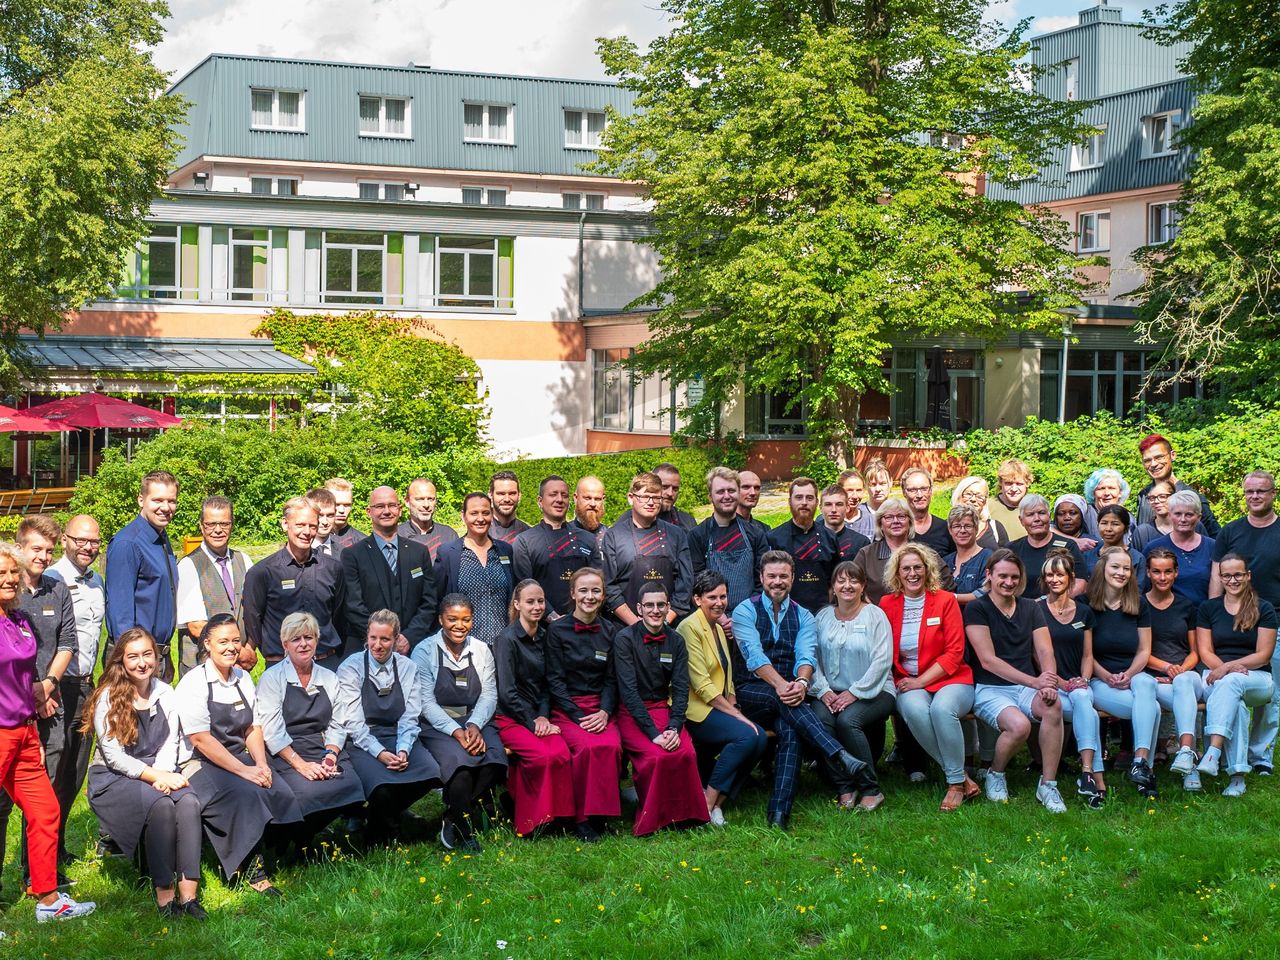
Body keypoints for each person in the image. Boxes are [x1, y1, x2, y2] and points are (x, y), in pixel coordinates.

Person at [731, 551, 880, 828]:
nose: (778, 581)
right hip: (751, 691)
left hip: (789, 694)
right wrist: (784, 686)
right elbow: (754, 657)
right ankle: (838, 754)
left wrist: (801, 682)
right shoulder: (745, 610)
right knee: (784, 703)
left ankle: (779, 814)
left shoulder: (804, 616)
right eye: (772, 576)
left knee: (790, 731)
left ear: (792, 578)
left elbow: (806, 656)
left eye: (783, 576)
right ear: (762, 578)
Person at [0, 541, 95, 921]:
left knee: (46, 809)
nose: (8, 579)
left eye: (11, 572)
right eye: (0, 574)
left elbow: (25, 677)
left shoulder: (19, 618)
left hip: (23, 732)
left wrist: (32, 723)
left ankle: (48, 899)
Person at [174, 614, 302, 893]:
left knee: (280, 789)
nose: (231, 647)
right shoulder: (193, 683)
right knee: (245, 796)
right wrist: (245, 772)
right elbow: (200, 739)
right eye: (223, 642)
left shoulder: (243, 678)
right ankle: (251, 871)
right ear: (206, 644)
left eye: (235, 640)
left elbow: (253, 727)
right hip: (199, 762)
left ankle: (279, 852)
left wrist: (260, 763)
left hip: (237, 756)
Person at [84, 628, 203, 917]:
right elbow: (114, 756)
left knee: (188, 802)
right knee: (161, 805)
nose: (142, 663)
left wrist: (162, 774)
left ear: (157, 656)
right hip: (114, 776)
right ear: (121, 661)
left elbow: (169, 740)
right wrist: (156, 778)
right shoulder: (108, 696)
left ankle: (189, 896)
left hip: (158, 770)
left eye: (147, 655)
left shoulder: (165, 692)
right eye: (133, 656)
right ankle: (164, 896)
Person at [0, 516, 77, 881]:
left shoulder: (47, 598)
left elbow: (65, 645)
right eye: (37, 549)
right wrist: (34, 696)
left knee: (47, 799)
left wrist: (46, 687)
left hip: (38, 712)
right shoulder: (10, 606)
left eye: (50, 550)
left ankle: (42, 880)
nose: (44, 556)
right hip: (9, 718)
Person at [963, 549, 1067, 812]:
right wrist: (1036, 683)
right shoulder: (977, 608)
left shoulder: (1031, 607)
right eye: (1003, 576)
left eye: (1014, 577)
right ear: (989, 575)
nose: (1009, 582)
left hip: (1024, 686)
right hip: (989, 687)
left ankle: (1048, 784)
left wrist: (1049, 682)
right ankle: (995, 774)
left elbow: (1045, 651)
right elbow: (988, 660)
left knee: (1054, 707)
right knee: (1019, 726)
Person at [253, 612, 364, 854]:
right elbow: (271, 729)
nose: (303, 644)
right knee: (305, 792)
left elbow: (338, 722)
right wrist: (301, 765)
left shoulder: (328, 677)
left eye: (308, 637)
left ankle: (307, 833)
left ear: (317, 640)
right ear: (285, 645)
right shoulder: (272, 678)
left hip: (322, 746)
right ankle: (293, 842)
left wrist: (330, 756)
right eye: (296, 639)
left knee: (352, 784)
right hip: (285, 751)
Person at [881, 549, 977, 811]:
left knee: (942, 709)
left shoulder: (945, 601)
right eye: (906, 569)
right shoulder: (887, 604)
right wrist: (911, 682)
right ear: (897, 574)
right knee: (914, 710)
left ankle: (955, 784)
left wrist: (921, 681)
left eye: (917, 567)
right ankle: (960, 776)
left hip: (951, 677)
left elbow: (955, 653)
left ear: (927, 570)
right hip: (907, 679)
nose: (912, 573)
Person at [411, 594, 507, 852]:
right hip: (438, 724)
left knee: (495, 760)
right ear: (441, 619)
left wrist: (474, 725)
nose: (459, 625)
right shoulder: (424, 650)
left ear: (472, 621)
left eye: (465, 619)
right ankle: (465, 832)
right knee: (460, 767)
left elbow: (488, 694)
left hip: (475, 718)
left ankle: (452, 815)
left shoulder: (481, 649)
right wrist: (456, 731)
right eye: (452, 619)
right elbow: (426, 702)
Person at [336, 609, 441, 844]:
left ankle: (383, 817)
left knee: (431, 773)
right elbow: (352, 721)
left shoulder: (406, 667)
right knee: (381, 786)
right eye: (373, 638)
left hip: (398, 732)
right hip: (363, 739)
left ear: (396, 639)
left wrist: (403, 749)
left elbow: (410, 714)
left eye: (385, 639)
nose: (378, 645)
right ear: (367, 637)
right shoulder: (351, 667)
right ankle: (384, 831)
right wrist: (380, 753)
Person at [612, 582, 710, 834]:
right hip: (632, 712)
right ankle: (654, 817)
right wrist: (654, 734)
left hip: (664, 710)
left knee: (685, 752)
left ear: (668, 607)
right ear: (639, 608)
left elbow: (680, 689)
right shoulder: (624, 639)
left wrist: (674, 727)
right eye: (649, 605)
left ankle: (686, 815)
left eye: (660, 605)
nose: (655, 610)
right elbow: (628, 692)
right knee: (655, 756)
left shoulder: (676, 640)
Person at [676, 570, 768, 826]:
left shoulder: (718, 625)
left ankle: (717, 801)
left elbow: (726, 674)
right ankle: (707, 803)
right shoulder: (688, 627)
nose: (719, 602)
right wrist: (737, 715)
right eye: (711, 597)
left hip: (719, 704)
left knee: (759, 739)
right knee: (747, 735)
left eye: (723, 596)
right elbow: (702, 685)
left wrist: (735, 703)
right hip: (696, 709)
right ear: (697, 599)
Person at [544, 568, 624, 840]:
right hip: (568, 708)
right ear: (573, 594)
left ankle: (601, 815)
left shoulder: (611, 631)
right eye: (584, 590)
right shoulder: (556, 631)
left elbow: (613, 679)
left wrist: (604, 712)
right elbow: (554, 681)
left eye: (596, 591)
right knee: (588, 747)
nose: (589, 596)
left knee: (611, 746)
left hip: (601, 707)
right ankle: (581, 818)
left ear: (603, 596)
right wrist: (579, 715)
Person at [1210, 471, 1280, 773]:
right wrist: (1212, 614)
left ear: (1273, 494)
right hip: (1229, 623)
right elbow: (1217, 574)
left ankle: (1260, 757)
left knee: (1272, 694)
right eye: (1249, 491)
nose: (1255, 497)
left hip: (1273, 620)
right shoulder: (1230, 531)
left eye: (1261, 491)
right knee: (1227, 684)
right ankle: (1224, 753)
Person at [493, 580, 575, 836]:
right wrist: (532, 721)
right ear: (517, 605)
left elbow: (547, 685)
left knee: (561, 752)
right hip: (511, 717)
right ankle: (529, 819)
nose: (537, 606)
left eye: (540, 601)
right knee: (541, 757)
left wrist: (542, 716)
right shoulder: (506, 640)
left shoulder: (545, 636)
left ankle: (559, 818)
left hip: (539, 716)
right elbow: (507, 692)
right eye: (530, 601)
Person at [46, 514, 106, 854]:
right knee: (52, 774)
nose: (87, 547)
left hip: (87, 686)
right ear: (66, 540)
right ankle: (35, 859)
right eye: (80, 540)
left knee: (74, 773)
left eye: (94, 541)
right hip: (58, 688)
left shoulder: (97, 581)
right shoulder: (52, 578)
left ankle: (58, 845)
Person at [814, 561, 895, 810]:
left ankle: (870, 789)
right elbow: (811, 658)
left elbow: (882, 661)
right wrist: (823, 690)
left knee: (848, 721)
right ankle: (844, 786)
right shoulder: (823, 617)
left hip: (876, 689)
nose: (847, 585)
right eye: (841, 580)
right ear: (833, 587)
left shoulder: (875, 615)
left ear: (863, 586)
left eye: (853, 581)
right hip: (830, 692)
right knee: (819, 720)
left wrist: (855, 692)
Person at [1196, 553, 1277, 796]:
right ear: (1220, 578)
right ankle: (1237, 777)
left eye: (1238, 574)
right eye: (1227, 575)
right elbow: (1205, 651)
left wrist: (1228, 667)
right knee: (1237, 705)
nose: (1233, 580)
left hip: (1258, 678)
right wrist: (1223, 668)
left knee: (1232, 682)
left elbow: (1263, 655)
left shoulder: (1264, 608)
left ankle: (1213, 750)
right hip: (1215, 675)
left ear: (1248, 576)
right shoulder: (1208, 608)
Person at [1086, 546, 1161, 797]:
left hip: (1134, 675)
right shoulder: (1087, 604)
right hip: (1099, 680)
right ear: (1103, 568)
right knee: (1154, 709)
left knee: (1147, 685)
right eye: (1115, 567)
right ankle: (1144, 773)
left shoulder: (1138, 603)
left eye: (1126, 568)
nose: (1121, 572)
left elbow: (1144, 650)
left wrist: (1129, 674)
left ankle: (1139, 763)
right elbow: (1085, 654)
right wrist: (1106, 675)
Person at [1036, 550, 1107, 807]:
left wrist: (1084, 680)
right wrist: (1063, 683)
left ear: (1071, 577)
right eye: (1049, 575)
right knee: (1083, 702)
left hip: (1079, 684)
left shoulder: (1084, 612)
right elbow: (1036, 656)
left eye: (1059, 574)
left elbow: (1088, 655)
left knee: (1082, 697)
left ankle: (1088, 773)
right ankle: (1093, 777)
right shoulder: (1036, 609)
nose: (1054, 579)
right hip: (1049, 685)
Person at [242, 497, 346, 668]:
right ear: (285, 524)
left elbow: (339, 615)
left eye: (312, 526)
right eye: (300, 525)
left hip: (326, 663)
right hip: (281, 664)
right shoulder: (262, 572)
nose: (307, 532)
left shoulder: (333, 568)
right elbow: (253, 619)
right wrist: (274, 651)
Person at [341, 486, 437, 654]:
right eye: (380, 506)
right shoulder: (353, 555)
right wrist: (383, 639)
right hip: (367, 649)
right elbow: (353, 606)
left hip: (413, 648)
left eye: (392, 505)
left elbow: (429, 602)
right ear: (369, 511)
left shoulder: (419, 552)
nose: (386, 511)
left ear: (400, 510)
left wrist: (408, 637)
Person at [105, 469, 180, 680]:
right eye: (157, 500)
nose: (165, 508)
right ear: (141, 500)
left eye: (171, 501)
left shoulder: (161, 538)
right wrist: (135, 663)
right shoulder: (127, 544)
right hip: (135, 661)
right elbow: (121, 614)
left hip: (158, 656)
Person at [1143, 548, 1204, 789]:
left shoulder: (1186, 606)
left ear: (1176, 573)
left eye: (1168, 571)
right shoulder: (1139, 605)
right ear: (1148, 572)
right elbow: (1140, 652)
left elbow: (1195, 651)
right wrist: (1168, 669)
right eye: (1156, 571)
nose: (1162, 577)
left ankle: (1186, 755)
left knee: (1185, 684)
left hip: (1185, 676)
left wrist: (1178, 672)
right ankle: (1186, 762)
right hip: (1153, 681)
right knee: (1180, 688)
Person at [174, 496, 253, 677]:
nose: (218, 530)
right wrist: (240, 653)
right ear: (201, 526)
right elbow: (196, 626)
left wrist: (250, 648)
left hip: (237, 668)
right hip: (202, 668)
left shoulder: (244, 560)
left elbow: (254, 611)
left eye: (224, 524)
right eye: (211, 524)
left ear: (232, 525)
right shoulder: (188, 565)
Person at [600, 473, 693, 626]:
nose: (651, 503)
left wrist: (665, 621)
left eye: (656, 498)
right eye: (645, 497)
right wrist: (636, 624)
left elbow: (686, 582)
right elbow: (608, 585)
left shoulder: (676, 535)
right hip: (625, 627)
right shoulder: (614, 536)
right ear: (631, 497)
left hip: (669, 626)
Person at [434, 493, 515, 647]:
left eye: (485, 513)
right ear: (463, 516)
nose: (480, 518)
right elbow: (437, 600)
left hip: (503, 645)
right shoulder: (448, 554)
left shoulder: (505, 551)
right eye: (473, 513)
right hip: (464, 647)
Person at [512, 475, 601, 618]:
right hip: (542, 627)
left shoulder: (588, 539)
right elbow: (525, 587)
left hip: (583, 624)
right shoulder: (525, 542)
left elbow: (598, 583)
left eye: (564, 495)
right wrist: (553, 617)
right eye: (553, 494)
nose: (559, 499)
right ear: (540, 501)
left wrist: (581, 617)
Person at [688, 467, 770, 616]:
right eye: (720, 492)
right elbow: (696, 583)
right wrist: (720, 618)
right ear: (710, 496)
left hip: (750, 616)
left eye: (731, 491)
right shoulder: (698, 535)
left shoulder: (755, 534)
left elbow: (762, 581)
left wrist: (743, 615)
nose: (727, 496)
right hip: (710, 618)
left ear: (738, 494)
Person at [768, 477, 841, 614]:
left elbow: (836, 576)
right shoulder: (774, 538)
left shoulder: (830, 537)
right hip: (787, 612)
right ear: (790, 502)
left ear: (816, 502)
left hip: (823, 611)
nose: (804, 503)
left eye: (809, 498)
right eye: (799, 497)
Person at [1135, 434, 1220, 536]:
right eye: (1147, 460)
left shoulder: (1192, 497)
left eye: (1159, 457)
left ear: (1173, 455)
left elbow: (1216, 538)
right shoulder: (1144, 495)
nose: (1153, 464)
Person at [1007, 495, 1086, 599]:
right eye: (1030, 515)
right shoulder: (1012, 549)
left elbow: (1081, 583)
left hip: (1056, 610)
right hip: (1020, 611)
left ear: (1049, 516)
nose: (1037, 519)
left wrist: (1046, 603)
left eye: (1041, 513)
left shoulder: (1068, 546)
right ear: (1021, 520)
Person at [1145, 491, 1215, 605]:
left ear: (1199, 517)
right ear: (1170, 515)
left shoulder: (1213, 547)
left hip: (1204, 617)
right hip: (1169, 617)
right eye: (1178, 514)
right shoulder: (1153, 548)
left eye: (1189, 514)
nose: (1183, 519)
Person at [1082, 505, 1147, 588]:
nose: (1108, 529)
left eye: (1115, 524)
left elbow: (1139, 590)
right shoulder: (1088, 556)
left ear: (1126, 528)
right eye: (1104, 523)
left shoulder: (1137, 558)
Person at [400, 477, 460, 563]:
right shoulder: (397, 536)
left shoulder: (449, 535)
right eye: (420, 499)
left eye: (430, 499)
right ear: (407, 502)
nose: (426, 505)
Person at [943, 505, 992, 606]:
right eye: (957, 526)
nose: (962, 530)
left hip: (977, 619)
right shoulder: (945, 561)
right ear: (950, 530)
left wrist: (949, 598)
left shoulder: (988, 558)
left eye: (968, 526)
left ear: (976, 529)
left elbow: (985, 592)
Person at [900, 468, 954, 557]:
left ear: (931, 490)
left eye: (924, 489)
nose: (919, 495)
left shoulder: (945, 528)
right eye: (912, 490)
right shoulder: (897, 528)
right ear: (904, 492)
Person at [820, 484, 871, 561]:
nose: (833, 510)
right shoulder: (809, 541)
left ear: (847, 507)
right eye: (828, 504)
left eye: (839, 504)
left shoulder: (861, 543)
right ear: (821, 508)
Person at [951, 476, 1007, 548]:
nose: (973, 499)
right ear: (959, 496)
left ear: (985, 500)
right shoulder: (946, 528)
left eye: (979, 496)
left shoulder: (995, 527)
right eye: (968, 494)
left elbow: (1006, 557)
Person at [987, 459, 1033, 542]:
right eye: (1009, 483)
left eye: (1019, 484)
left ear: (1027, 484)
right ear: (1001, 483)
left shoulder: (1034, 507)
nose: (1014, 489)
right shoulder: (988, 507)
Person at [1130, 479, 1176, 552]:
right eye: (1152, 498)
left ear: (1174, 497)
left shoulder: (1190, 526)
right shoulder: (1143, 532)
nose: (1156, 501)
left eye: (1162, 496)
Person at [324, 478, 367, 555]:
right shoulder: (310, 538)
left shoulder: (362, 542)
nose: (341, 510)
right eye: (337, 504)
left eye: (347, 505)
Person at [1083, 468, 1130, 539]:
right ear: (1093, 493)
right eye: (1101, 489)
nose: (1107, 493)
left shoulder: (1128, 516)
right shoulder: (1084, 514)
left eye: (1111, 488)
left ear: (1120, 492)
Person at [488, 470, 531, 544]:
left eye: (512, 493)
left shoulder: (529, 534)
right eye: (501, 494)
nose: (507, 499)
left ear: (519, 496)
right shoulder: (480, 533)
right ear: (491, 495)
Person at [653, 462, 697, 530]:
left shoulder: (688, 522)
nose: (670, 493)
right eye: (664, 487)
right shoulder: (636, 521)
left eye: (675, 489)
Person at [568, 475, 608, 545]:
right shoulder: (561, 536)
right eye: (587, 498)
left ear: (603, 500)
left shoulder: (611, 538)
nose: (593, 504)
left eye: (597, 499)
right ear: (576, 498)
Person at [838, 469, 876, 540]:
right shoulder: (825, 521)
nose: (855, 496)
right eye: (850, 490)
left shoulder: (872, 522)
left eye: (859, 490)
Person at [735, 469, 770, 539]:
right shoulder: (721, 528)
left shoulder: (764, 529)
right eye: (746, 487)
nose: (753, 493)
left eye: (757, 488)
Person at [305, 487, 339, 559]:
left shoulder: (344, 554)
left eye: (330, 515)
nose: (325, 522)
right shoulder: (296, 552)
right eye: (320, 516)